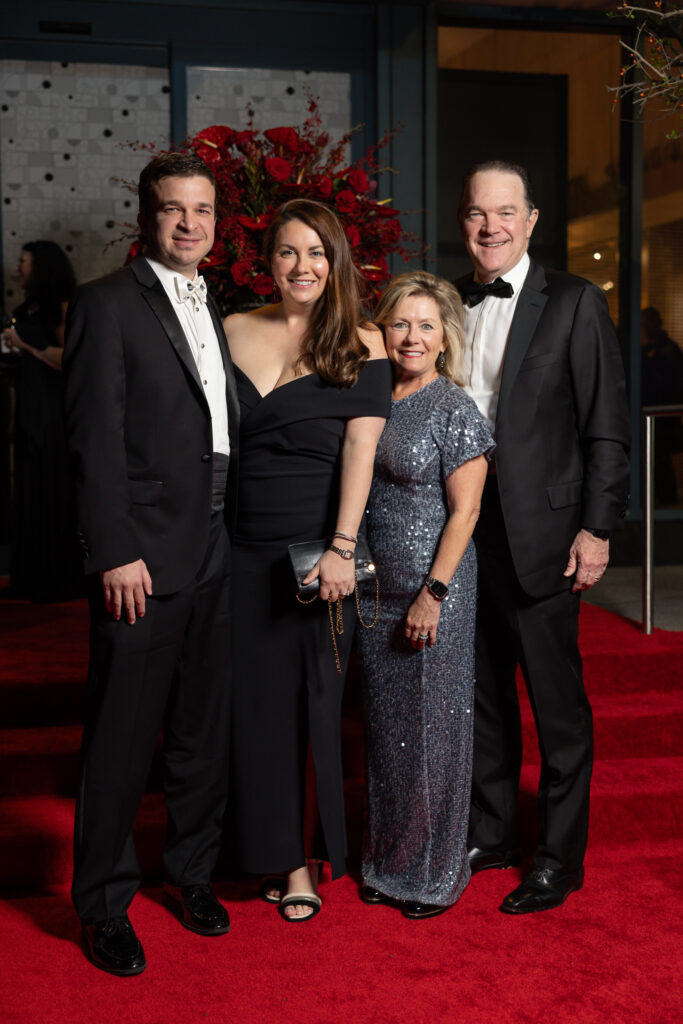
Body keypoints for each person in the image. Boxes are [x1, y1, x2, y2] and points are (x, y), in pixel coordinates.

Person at [63, 152, 239, 975]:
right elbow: (92, 439)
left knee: (200, 734)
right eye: (172, 209)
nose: (187, 223)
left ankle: (192, 876)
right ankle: (102, 904)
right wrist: (115, 550)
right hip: (142, 553)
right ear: (147, 217)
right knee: (122, 738)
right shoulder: (104, 304)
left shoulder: (221, 306)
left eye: (200, 210)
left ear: (216, 221)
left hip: (219, 548)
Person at [455, 160, 631, 914]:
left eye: (504, 212)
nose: (489, 226)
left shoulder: (574, 302)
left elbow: (606, 429)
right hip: (462, 535)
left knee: (557, 709)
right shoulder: (445, 302)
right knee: (485, 699)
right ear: (463, 222)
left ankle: (559, 859)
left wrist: (597, 528)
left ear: (530, 221)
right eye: (475, 213)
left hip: (548, 535)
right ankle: (492, 837)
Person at [224, 198, 390, 922]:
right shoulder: (229, 330)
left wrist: (342, 549)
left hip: (317, 555)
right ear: (268, 261)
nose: (302, 266)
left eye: (316, 253)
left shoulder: (364, 342)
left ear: (337, 262)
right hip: (234, 550)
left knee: (311, 709)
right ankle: (266, 851)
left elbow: (361, 449)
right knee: (249, 711)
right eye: (288, 252)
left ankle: (303, 866)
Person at [358, 271, 493, 919]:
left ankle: (434, 874)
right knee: (388, 735)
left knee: (430, 735)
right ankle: (386, 861)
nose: (411, 336)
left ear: (444, 338)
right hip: (371, 591)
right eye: (400, 323)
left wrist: (432, 594)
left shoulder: (453, 408)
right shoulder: (370, 395)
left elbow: (465, 514)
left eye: (425, 325)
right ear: (381, 329)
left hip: (431, 592)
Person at [1, 241, 82, 601]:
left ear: (42, 266)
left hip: (55, 409)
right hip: (30, 406)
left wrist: (25, 345)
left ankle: (58, 579)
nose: (18, 267)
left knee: (53, 487)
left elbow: (71, 358)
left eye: (23, 262)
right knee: (29, 488)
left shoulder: (64, 305)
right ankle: (29, 578)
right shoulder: (25, 307)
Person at [640, 306, 683, 505]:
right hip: (650, 421)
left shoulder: (667, 351)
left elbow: (669, 387)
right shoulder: (647, 351)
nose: (646, 328)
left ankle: (668, 509)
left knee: (662, 467)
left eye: (649, 323)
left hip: (662, 422)